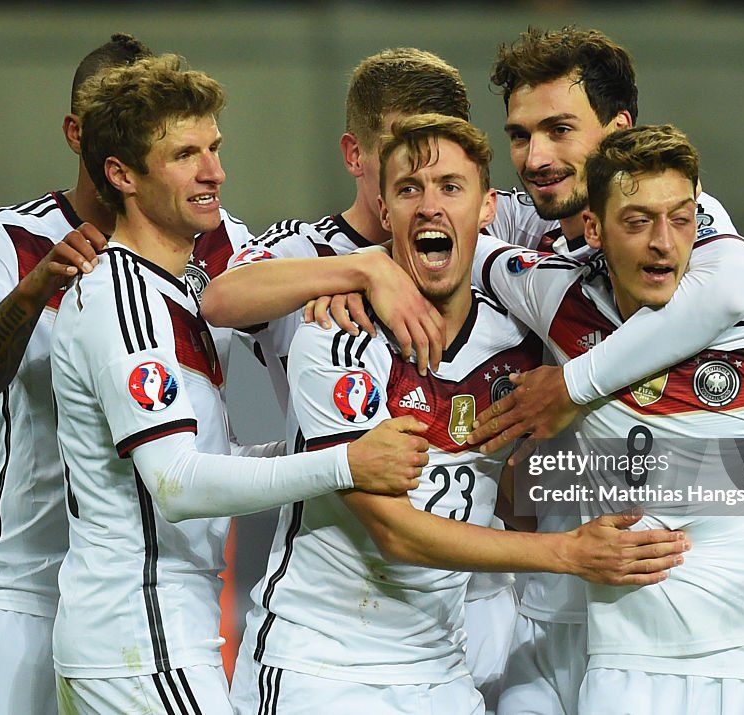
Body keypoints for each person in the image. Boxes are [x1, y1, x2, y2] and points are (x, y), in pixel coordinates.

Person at [225, 114, 689, 715]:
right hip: (320, 669)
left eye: (450, 187)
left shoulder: (520, 339)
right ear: (384, 213)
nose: (429, 207)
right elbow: (394, 531)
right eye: (409, 189)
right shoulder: (337, 334)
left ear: (487, 209)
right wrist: (566, 553)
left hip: (443, 674)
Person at [51, 54, 431, 713]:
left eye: (215, 148)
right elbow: (178, 484)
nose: (214, 172)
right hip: (140, 638)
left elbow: (205, 462)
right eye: (185, 154)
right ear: (121, 174)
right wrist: (347, 462)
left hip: (163, 629)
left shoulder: (181, 284)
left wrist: (323, 454)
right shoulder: (121, 297)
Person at [474, 123, 744, 714]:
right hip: (624, 672)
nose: (663, 243)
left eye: (682, 218)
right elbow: (460, 249)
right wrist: (365, 278)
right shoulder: (560, 301)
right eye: (638, 221)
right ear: (593, 229)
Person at [200, 47, 511, 712]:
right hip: (335, 585)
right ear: (354, 153)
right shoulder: (306, 252)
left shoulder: (487, 226)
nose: (421, 165)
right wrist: (362, 269)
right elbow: (222, 299)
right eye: (396, 147)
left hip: (460, 602)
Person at [0, 33, 152, 715]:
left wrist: (351, 275)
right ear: (75, 132)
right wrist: (32, 292)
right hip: (26, 593)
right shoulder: (6, 238)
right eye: (116, 121)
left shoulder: (213, 244)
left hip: (148, 603)